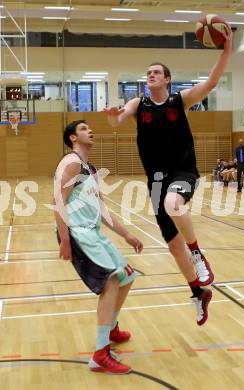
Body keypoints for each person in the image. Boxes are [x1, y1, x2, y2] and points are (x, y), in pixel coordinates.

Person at [104, 26, 233, 326]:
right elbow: (117, 120)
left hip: (183, 171)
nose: (150, 75)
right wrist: (112, 115)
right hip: (156, 181)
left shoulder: (179, 100)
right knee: (173, 246)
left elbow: (212, 81)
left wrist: (226, 50)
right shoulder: (138, 104)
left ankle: (199, 255)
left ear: (167, 79)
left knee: (174, 204)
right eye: (148, 72)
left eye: (156, 72)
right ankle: (198, 293)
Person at [54, 120, 143, 375]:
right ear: (73, 138)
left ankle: (111, 328)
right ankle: (100, 354)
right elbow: (57, 201)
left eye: (88, 127)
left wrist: (127, 234)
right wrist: (65, 240)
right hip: (78, 234)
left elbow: (102, 208)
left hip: (92, 233)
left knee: (127, 276)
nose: (89, 130)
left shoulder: (89, 168)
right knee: (111, 281)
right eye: (83, 128)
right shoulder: (71, 163)